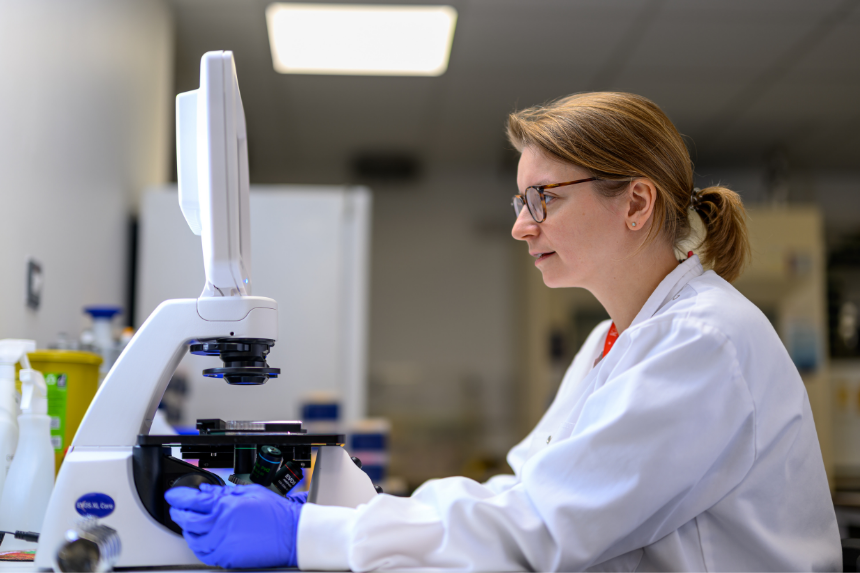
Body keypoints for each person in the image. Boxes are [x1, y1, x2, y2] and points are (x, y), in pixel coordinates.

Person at [166, 92, 841, 571]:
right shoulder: (614, 338)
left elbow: (539, 529)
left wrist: (309, 533)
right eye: (521, 201)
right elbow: (526, 493)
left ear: (636, 202)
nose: (522, 225)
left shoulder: (703, 343)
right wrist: (337, 502)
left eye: (545, 197)